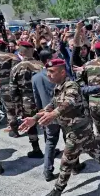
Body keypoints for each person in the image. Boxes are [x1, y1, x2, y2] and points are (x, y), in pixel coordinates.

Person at [19, 59, 100, 196]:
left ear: (62, 72)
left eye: (52, 71)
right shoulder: (58, 87)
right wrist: (34, 118)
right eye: (47, 71)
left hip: (77, 132)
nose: (48, 75)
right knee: (96, 153)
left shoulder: (71, 85)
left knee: (66, 163)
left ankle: (55, 194)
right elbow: (52, 105)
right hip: (81, 130)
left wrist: (55, 114)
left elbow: (70, 101)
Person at [33, 50, 86, 181]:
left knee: (50, 142)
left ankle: (47, 170)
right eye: (54, 57)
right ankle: (75, 166)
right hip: (61, 114)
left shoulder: (35, 77)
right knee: (70, 139)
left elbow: (37, 98)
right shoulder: (58, 74)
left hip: (49, 114)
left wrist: (41, 112)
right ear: (48, 60)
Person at [9, 41, 45, 158]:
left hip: (26, 102)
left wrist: (17, 106)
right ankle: (50, 147)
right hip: (42, 100)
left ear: (20, 53)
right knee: (46, 123)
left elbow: (13, 90)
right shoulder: (41, 65)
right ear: (32, 51)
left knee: (30, 125)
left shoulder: (16, 68)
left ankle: (36, 149)